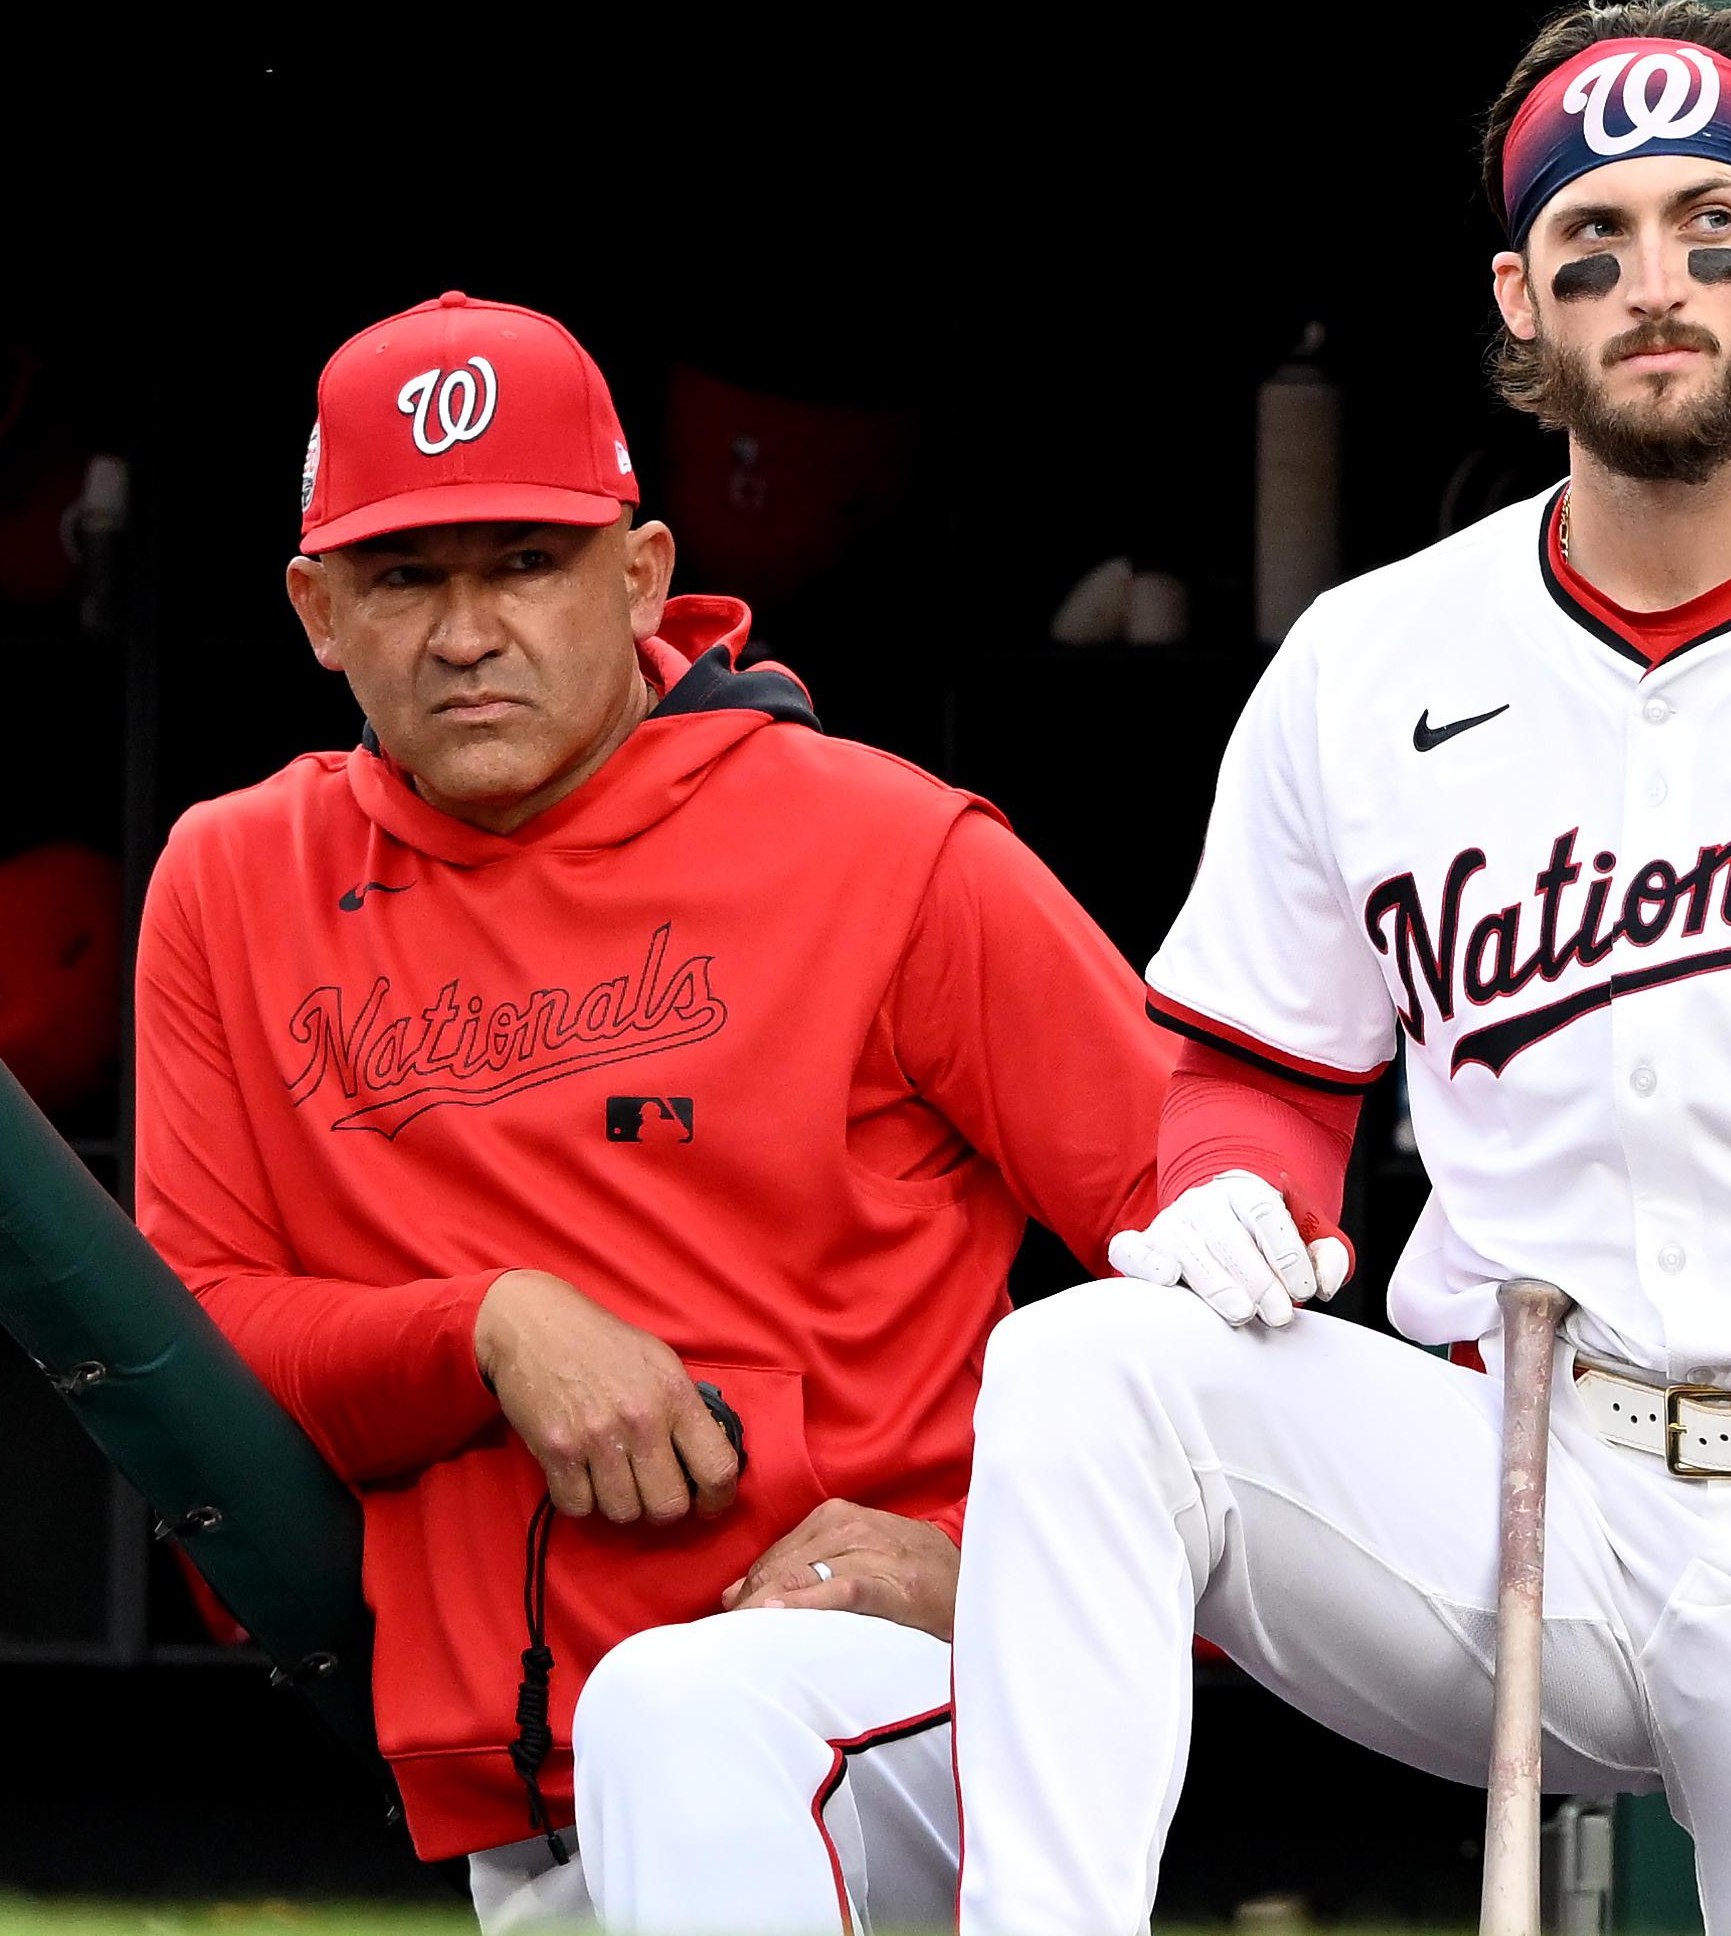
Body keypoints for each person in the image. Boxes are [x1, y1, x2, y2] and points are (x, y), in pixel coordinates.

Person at [945, 0, 1731, 1936]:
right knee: (1088, 1369)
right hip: (1522, 1474)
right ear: (1517, 300)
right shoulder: (1373, 663)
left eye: (1711, 227)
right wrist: (1231, 1184)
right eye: (1591, 243)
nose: (1653, 283)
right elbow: (1262, 1061)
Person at [134, 292, 1169, 1933]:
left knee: (683, 1715)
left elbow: (1232, 1253)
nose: (466, 630)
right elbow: (186, 1346)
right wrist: (489, 1328)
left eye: (526, 564)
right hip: (527, 1779)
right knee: (658, 1734)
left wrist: (1000, 1562)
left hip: (900, 1704)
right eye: (408, 577)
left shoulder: (898, 852)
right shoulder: (232, 879)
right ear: (315, 609)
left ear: (639, 574)